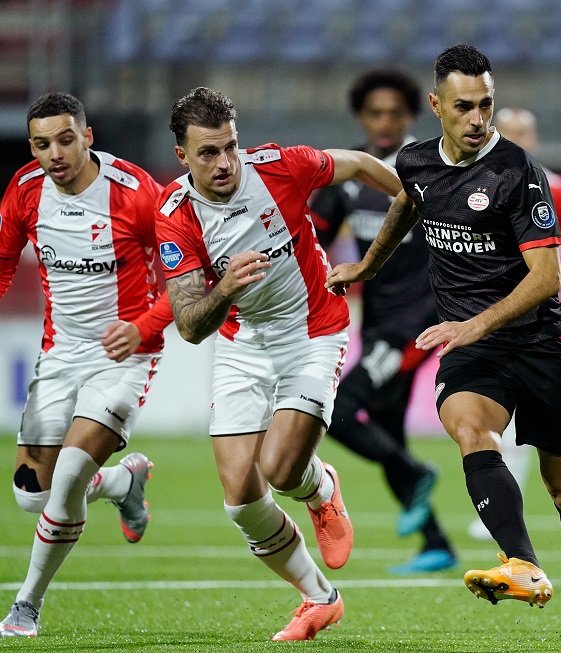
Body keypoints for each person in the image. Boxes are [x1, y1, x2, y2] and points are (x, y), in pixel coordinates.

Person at [328, 45, 561, 651]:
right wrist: (368, 267)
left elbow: (547, 277)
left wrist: (476, 323)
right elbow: (407, 203)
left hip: (538, 344)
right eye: (464, 107)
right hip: (473, 350)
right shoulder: (415, 162)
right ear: (437, 106)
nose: (478, 118)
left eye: (486, 104)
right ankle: (521, 563)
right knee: (469, 429)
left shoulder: (518, 172)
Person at [157, 87, 402, 642]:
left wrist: (417, 200)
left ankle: (318, 486)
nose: (225, 163)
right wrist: (225, 288)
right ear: (182, 156)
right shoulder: (175, 215)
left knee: (282, 470)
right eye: (208, 153)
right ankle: (320, 598)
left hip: (313, 332)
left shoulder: (279, 167)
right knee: (241, 501)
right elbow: (190, 326)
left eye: (230, 146)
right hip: (242, 345)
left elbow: (360, 163)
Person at [0, 92, 171, 638]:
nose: (54, 154)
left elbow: (192, 273)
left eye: (65, 140)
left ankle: (26, 606)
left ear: (87, 136)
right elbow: (3, 261)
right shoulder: (25, 190)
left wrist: (143, 327)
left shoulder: (136, 193)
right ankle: (122, 483)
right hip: (60, 354)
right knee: (30, 494)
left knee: (70, 473)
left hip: (125, 354)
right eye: (41, 144)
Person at [310, 67, 457, 574]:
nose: (385, 122)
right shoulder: (351, 174)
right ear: (362, 116)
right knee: (388, 428)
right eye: (375, 113)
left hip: (416, 323)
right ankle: (436, 543)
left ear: (411, 115)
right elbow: (312, 241)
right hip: (375, 324)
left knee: (340, 410)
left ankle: (416, 474)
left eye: (395, 113)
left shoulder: (430, 167)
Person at [467, 107, 561, 541]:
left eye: (523, 133)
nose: (516, 139)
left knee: (527, 405)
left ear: (534, 140)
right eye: (508, 131)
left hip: (546, 310)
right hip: (501, 306)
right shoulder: (478, 185)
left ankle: (501, 508)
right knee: (541, 407)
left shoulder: (555, 186)